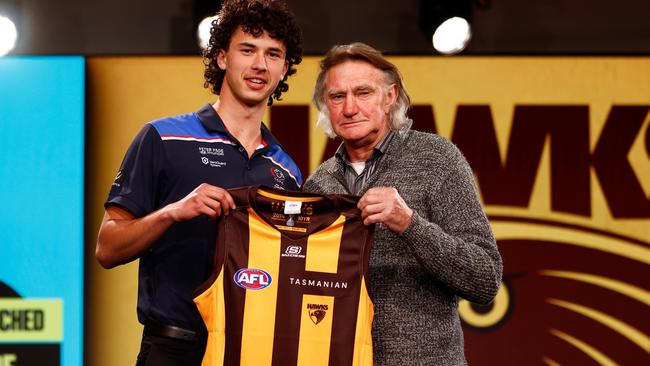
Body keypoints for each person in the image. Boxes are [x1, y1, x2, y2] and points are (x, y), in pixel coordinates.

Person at [95, 1, 303, 364]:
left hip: (252, 352)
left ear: (284, 69)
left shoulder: (286, 171)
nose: (259, 65)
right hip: (173, 348)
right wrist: (173, 213)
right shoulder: (162, 137)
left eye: (273, 54)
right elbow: (107, 249)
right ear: (222, 57)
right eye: (247, 50)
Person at [303, 42, 503, 365]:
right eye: (337, 97)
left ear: (390, 96)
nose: (350, 108)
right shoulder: (318, 184)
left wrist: (409, 223)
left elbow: (485, 279)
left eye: (363, 93)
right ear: (325, 105)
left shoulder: (438, 159)